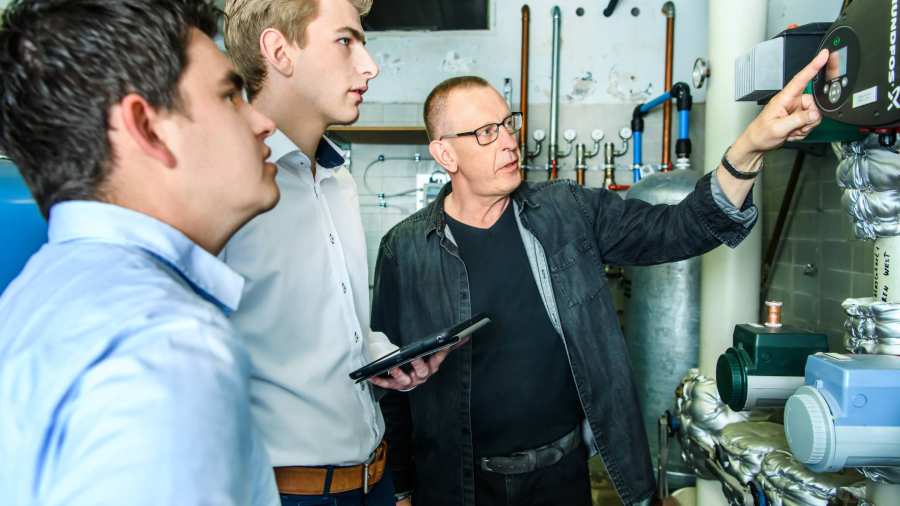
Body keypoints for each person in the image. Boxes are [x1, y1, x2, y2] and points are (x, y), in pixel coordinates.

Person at [372, 51, 830, 506]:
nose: (509, 142)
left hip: (562, 479)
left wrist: (749, 145)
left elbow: (677, 230)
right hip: (456, 486)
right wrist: (403, 489)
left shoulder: (566, 212)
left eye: (508, 123)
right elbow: (390, 381)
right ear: (445, 153)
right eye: (487, 133)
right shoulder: (405, 249)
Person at [0, 0, 281, 504]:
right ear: (147, 127)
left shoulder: (29, 299)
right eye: (229, 95)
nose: (262, 122)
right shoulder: (168, 344)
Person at [221, 1, 447, 504]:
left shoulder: (339, 180)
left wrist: (381, 355)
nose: (370, 65)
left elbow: (321, 327)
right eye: (346, 41)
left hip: (371, 479)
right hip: (284, 491)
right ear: (279, 51)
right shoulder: (225, 183)